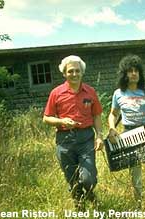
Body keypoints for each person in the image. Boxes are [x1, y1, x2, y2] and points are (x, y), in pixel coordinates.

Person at [43, 55, 103, 211]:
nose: (74, 74)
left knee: (88, 179)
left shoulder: (90, 92)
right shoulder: (56, 93)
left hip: (86, 139)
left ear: (82, 72)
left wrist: (99, 137)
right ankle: (80, 208)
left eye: (77, 71)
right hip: (64, 140)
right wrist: (61, 121)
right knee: (72, 180)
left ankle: (90, 194)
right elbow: (46, 118)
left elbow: (97, 115)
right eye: (70, 71)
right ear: (64, 73)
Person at [108, 54, 145, 209]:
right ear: (125, 74)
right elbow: (113, 114)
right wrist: (112, 128)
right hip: (129, 136)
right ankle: (138, 206)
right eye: (130, 71)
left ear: (140, 74)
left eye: (136, 71)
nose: (134, 73)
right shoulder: (118, 93)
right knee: (135, 177)